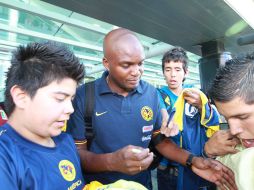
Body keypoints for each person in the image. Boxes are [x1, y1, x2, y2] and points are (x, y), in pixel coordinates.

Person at [67, 28, 237, 190]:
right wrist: (112, 161)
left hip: (143, 185)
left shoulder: (150, 93)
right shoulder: (84, 96)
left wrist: (193, 160)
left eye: (140, 63)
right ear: (106, 63)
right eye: (126, 65)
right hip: (99, 186)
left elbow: (160, 141)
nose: (136, 72)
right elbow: (76, 155)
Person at [0, 41, 85, 190]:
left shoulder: (66, 141)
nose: (71, 109)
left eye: (71, 99)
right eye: (60, 98)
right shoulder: (6, 158)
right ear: (21, 97)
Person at [157, 47, 222, 190]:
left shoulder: (194, 94)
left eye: (177, 69)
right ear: (163, 72)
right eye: (168, 69)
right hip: (169, 170)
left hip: (197, 163)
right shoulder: (159, 95)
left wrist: (201, 105)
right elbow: (162, 114)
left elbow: (213, 118)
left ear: (186, 72)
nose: (172, 75)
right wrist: (166, 119)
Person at [208, 54, 254, 189]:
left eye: (243, 117)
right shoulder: (226, 148)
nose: (233, 130)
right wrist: (208, 153)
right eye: (226, 118)